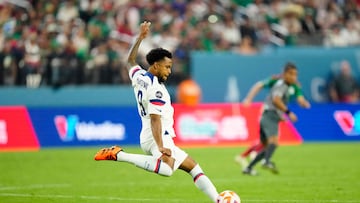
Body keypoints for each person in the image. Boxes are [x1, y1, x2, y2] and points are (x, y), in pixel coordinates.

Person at [94, 21, 219, 202]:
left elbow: (129, 61)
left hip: (149, 134)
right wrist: (161, 145)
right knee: (167, 170)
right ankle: (120, 155)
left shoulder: (140, 76)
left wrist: (139, 39)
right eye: (167, 66)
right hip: (157, 136)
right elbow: (155, 119)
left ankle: (218, 199)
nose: (169, 70)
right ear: (155, 65)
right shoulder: (156, 90)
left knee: (194, 168)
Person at [242, 62, 310, 175]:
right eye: (291, 74)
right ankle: (266, 161)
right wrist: (288, 112)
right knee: (273, 142)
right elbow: (276, 100)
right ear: (284, 74)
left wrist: (304, 103)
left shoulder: (293, 86)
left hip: (270, 116)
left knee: (267, 146)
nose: (294, 77)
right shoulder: (280, 84)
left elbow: (300, 99)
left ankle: (248, 168)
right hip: (270, 115)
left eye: (295, 74)